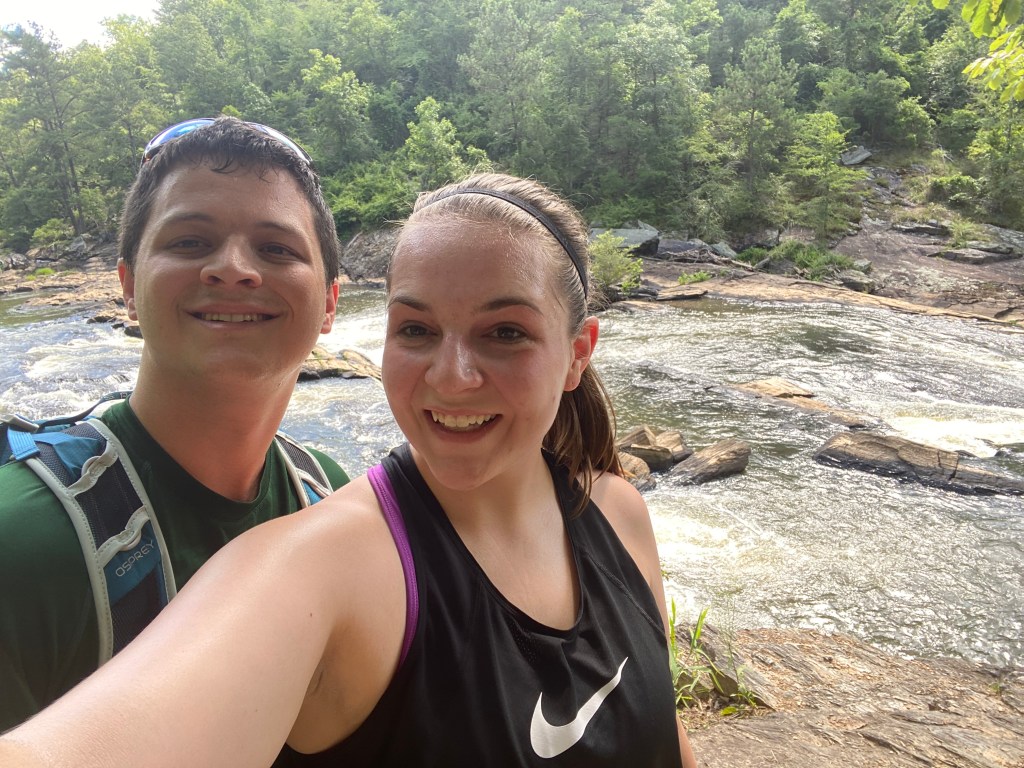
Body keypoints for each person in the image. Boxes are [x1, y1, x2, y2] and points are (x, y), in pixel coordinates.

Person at [0, 172, 698, 768]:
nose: (451, 377)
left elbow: (664, 739)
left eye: (505, 333)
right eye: (416, 329)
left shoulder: (617, 513)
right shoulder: (319, 568)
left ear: (577, 353)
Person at [0, 117, 349, 734]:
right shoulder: (23, 543)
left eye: (277, 249)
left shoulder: (330, 498)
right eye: (190, 242)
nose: (233, 269)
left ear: (328, 302)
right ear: (129, 287)